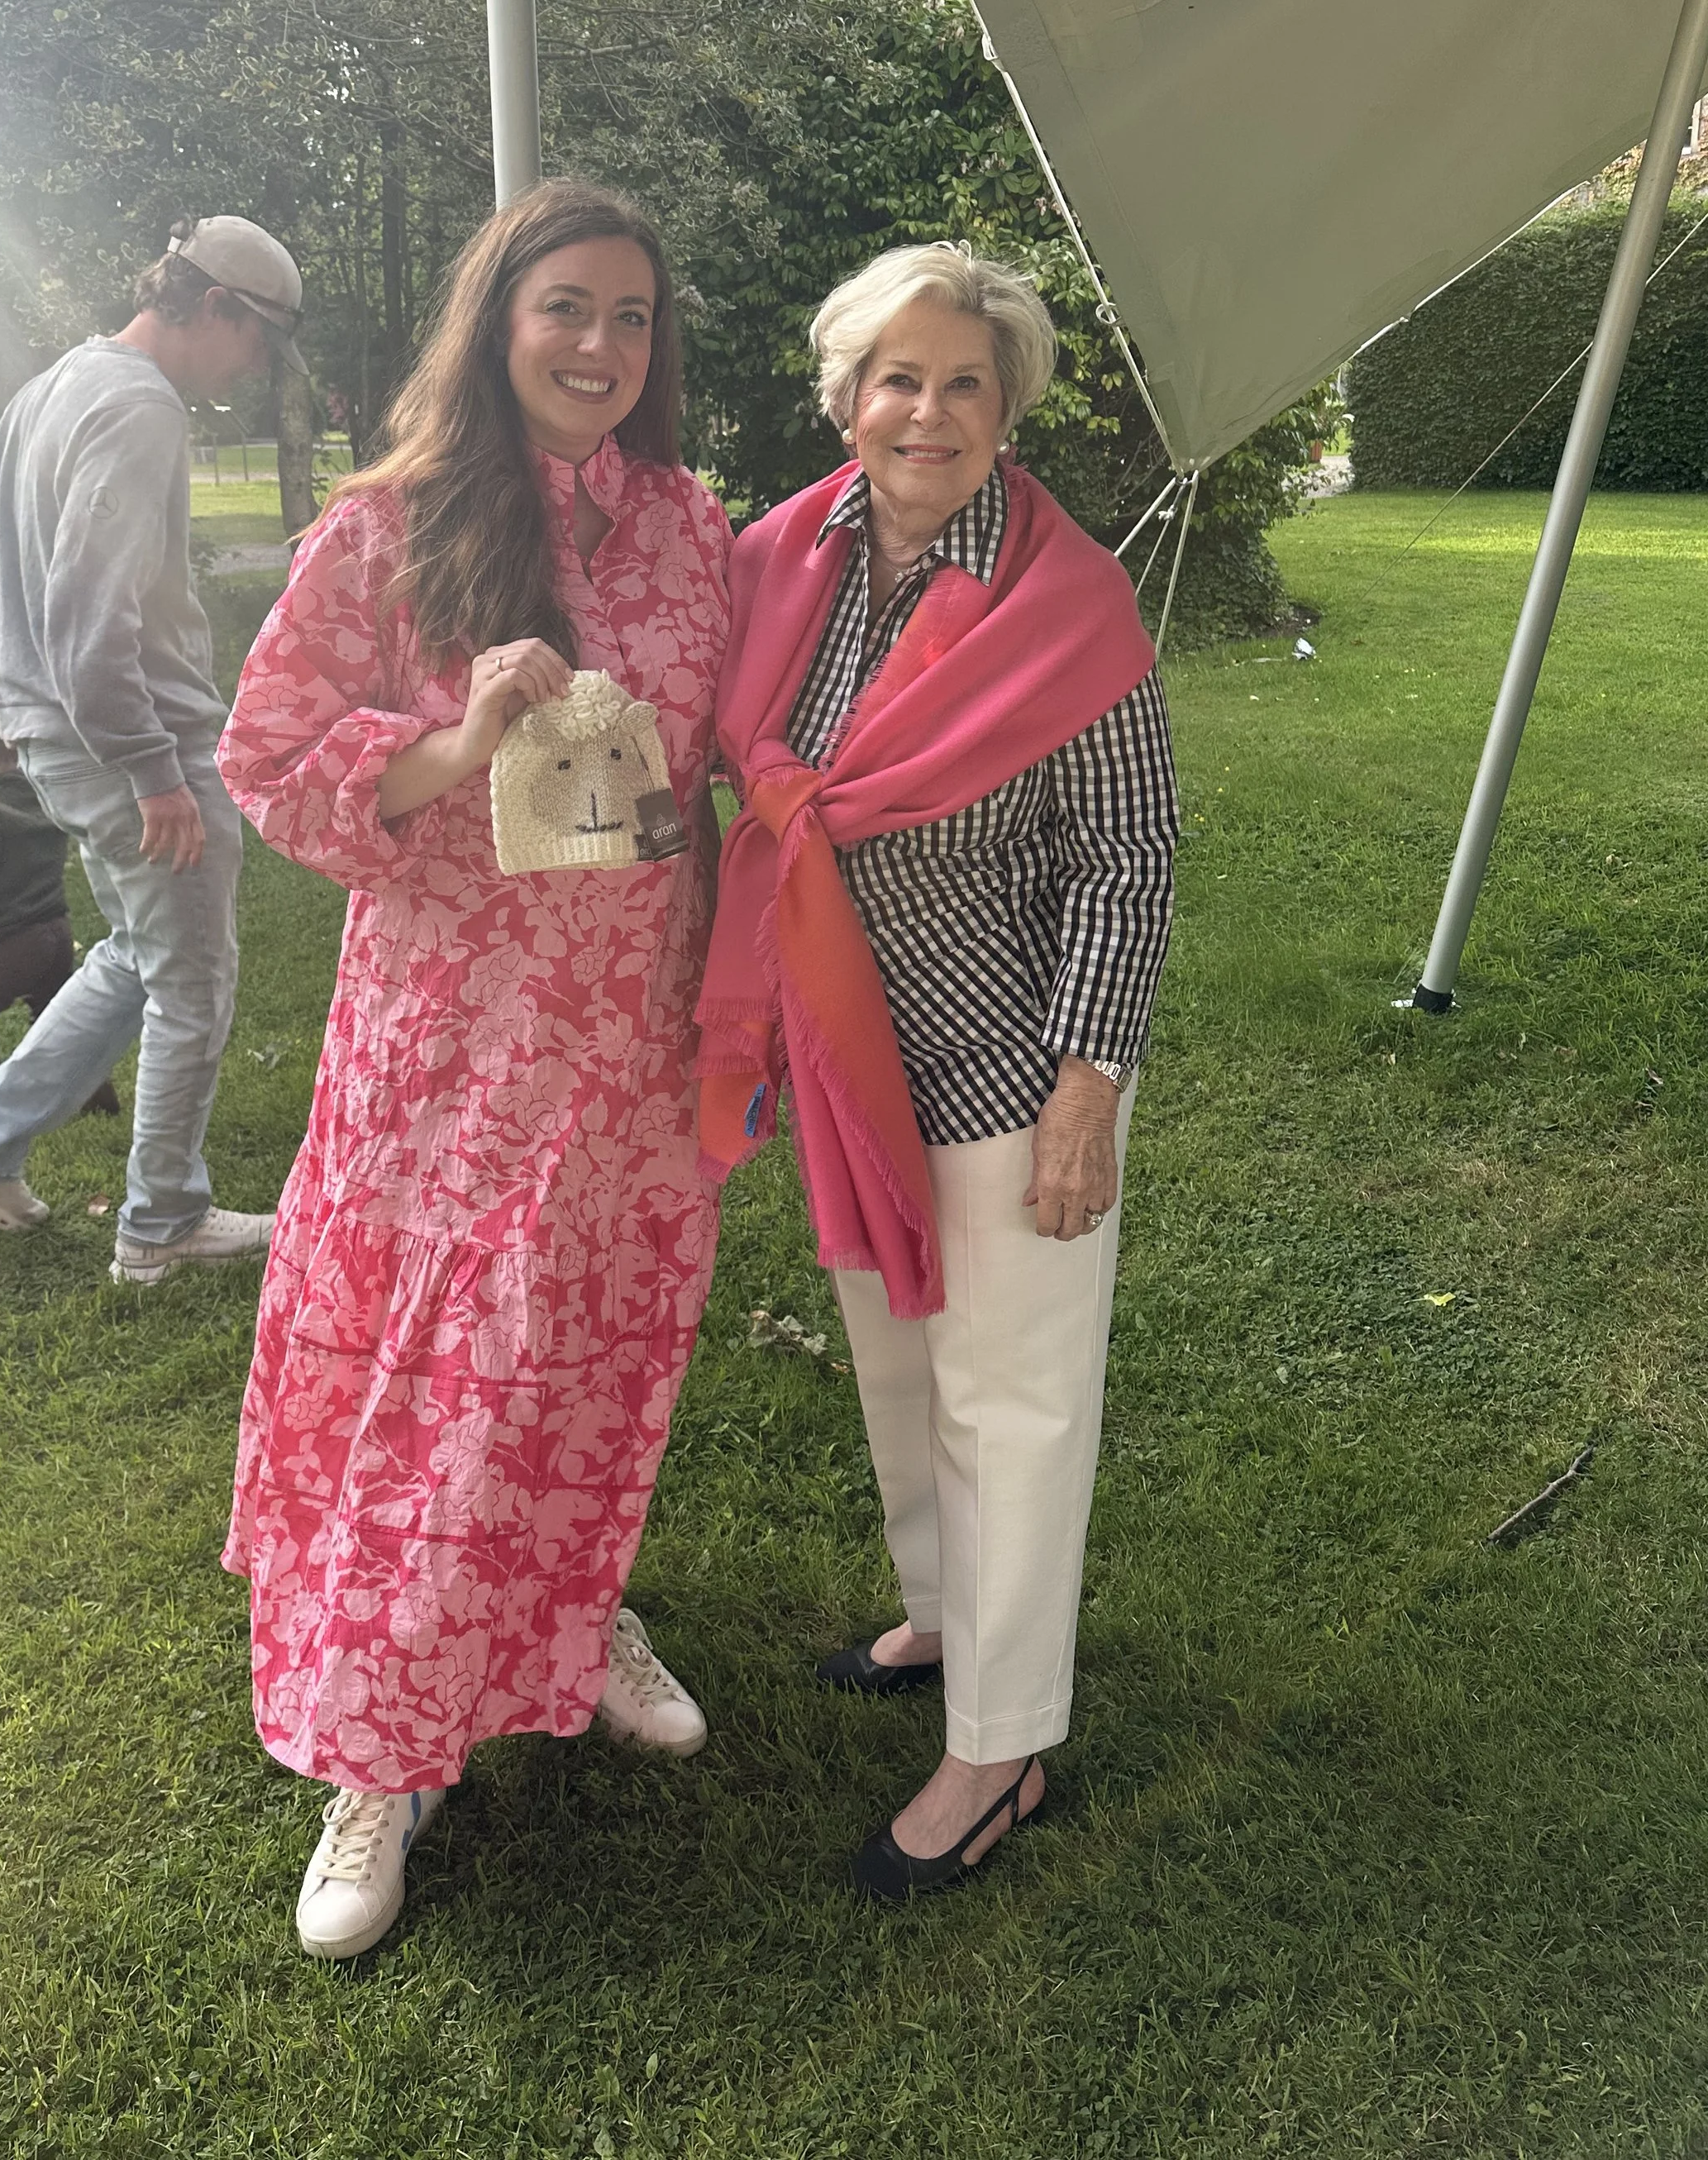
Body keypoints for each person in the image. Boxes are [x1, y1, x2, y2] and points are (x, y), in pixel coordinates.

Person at [216, 179, 730, 1961]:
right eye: (564, 309)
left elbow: (732, 745)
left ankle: (568, 1616)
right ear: (495, 321)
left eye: (631, 318)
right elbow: (267, 759)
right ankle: (382, 1743)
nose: (599, 346)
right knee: (432, 1378)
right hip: (449, 1045)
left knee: (585, 1355)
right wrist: (452, 739)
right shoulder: (388, 528)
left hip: (633, 1040)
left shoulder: (684, 527)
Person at [698, 241, 1177, 1900]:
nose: (925, 410)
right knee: (896, 1367)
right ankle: (939, 1618)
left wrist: (1087, 1081)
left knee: (1012, 1401)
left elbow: (1128, 854)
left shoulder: (1066, 600)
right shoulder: (777, 559)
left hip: (1001, 1063)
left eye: (962, 382)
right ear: (843, 396)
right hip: (843, 1058)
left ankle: (1001, 1745)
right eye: (895, 376)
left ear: (1005, 410)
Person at [0, 215, 298, 1284]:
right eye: (258, 336)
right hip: (134, 738)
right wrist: (155, 768)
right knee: (196, 980)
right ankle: (162, 1222)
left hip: (59, 727)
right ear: (215, 308)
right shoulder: (140, 407)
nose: (256, 363)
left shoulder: (61, 381)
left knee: (140, 951)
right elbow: (89, 612)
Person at [0, 682, 120, 1131]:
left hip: (16, 936)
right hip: (54, 926)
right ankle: (92, 1087)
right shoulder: (41, 790)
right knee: (54, 1013)